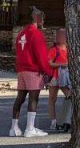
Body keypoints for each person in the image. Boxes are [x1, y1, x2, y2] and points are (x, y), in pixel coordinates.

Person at [11, 8, 50, 137]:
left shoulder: (21, 33)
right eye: (42, 18)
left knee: (20, 98)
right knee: (33, 99)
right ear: (37, 18)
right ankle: (30, 128)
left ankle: (14, 128)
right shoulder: (36, 34)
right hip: (33, 70)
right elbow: (41, 55)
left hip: (21, 70)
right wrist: (47, 71)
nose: (43, 21)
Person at [45, 28, 72, 132]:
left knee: (69, 97)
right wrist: (61, 65)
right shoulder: (53, 50)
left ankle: (65, 121)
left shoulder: (69, 49)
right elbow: (49, 63)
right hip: (54, 78)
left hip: (64, 78)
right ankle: (54, 122)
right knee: (52, 99)